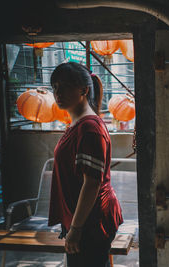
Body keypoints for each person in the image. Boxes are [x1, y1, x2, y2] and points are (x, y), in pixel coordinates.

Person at [48, 62, 123, 267]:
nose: (58, 92)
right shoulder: (79, 124)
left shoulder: (89, 129)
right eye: (54, 86)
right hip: (84, 220)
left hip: (91, 223)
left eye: (64, 86)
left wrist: (76, 228)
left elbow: (91, 183)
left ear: (83, 90)